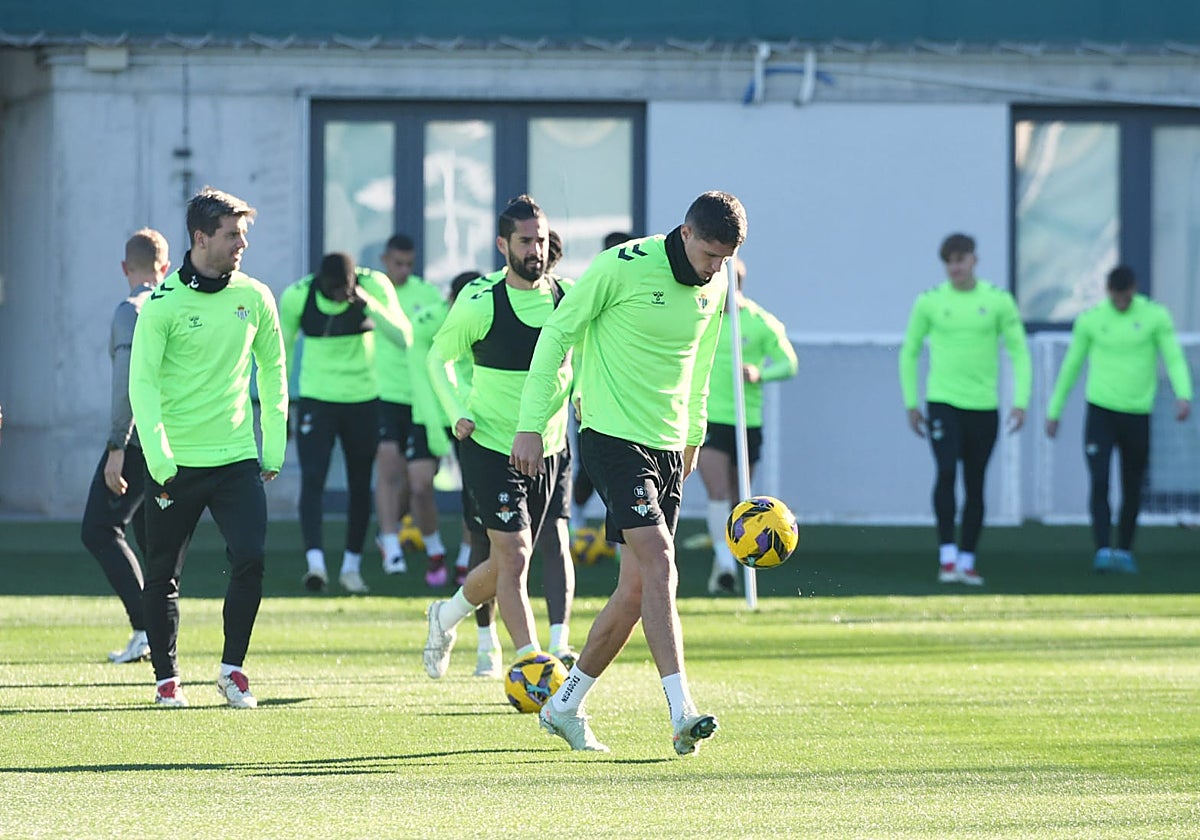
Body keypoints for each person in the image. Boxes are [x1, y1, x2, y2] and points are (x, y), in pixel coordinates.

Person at [511, 191, 747, 756]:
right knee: (662, 559)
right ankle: (681, 711)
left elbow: (701, 365)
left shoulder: (718, 283)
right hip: (611, 435)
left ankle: (564, 705)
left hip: (669, 445)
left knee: (635, 588)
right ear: (686, 234)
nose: (716, 269)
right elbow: (557, 334)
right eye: (711, 255)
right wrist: (529, 423)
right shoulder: (621, 267)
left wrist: (694, 437)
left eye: (726, 259)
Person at [128, 186, 288, 709]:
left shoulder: (256, 296)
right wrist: (157, 455)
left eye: (243, 234)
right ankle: (166, 678)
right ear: (201, 238)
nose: (241, 243)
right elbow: (143, 385)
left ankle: (232, 670)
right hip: (174, 464)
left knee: (252, 557)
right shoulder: (162, 305)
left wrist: (275, 443)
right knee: (163, 575)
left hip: (237, 457)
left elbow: (274, 370)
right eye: (232, 234)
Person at [422, 195, 577, 681]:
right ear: (502, 245)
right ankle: (532, 664)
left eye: (542, 239)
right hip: (490, 444)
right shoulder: (480, 301)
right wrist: (456, 413)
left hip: (550, 448)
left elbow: (587, 356)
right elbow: (438, 359)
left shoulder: (566, 298)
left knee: (515, 554)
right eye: (525, 241)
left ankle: (445, 616)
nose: (536, 249)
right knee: (513, 555)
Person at [899, 232, 1031, 586]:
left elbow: (1019, 351)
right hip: (943, 402)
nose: (955, 267)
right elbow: (909, 351)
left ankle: (968, 560)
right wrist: (912, 403)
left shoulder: (999, 301)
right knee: (945, 472)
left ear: (974, 259)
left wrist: (1021, 401)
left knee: (975, 484)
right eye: (949, 262)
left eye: (961, 259)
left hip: (983, 407)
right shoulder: (929, 302)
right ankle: (947, 557)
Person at [1045, 265, 1193, 574]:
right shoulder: (1091, 320)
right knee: (1099, 481)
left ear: (1134, 289)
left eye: (1126, 298)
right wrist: (1054, 411)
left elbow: (1173, 356)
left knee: (1133, 485)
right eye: (1116, 297)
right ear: (1108, 291)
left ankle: (1124, 550)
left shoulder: (1155, 316)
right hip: (1101, 413)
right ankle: (1102, 548)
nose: (1121, 303)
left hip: (1138, 414)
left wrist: (1184, 394)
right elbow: (1071, 366)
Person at [279, 252, 413, 594]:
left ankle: (351, 566)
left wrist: (367, 303)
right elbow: (282, 353)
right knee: (312, 479)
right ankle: (316, 565)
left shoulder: (375, 287)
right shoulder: (299, 296)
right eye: (331, 290)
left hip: (363, 401)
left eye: (343, 290)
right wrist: (282, 407)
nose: (337, 296)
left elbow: (403, 337)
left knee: (358, 483)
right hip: (316, 400)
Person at [79, 228, 171, 663]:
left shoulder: (130, 310)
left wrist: (117, 444)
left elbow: (126, 384)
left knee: (98, 529)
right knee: (146, 534)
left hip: (136, 439)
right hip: (175, 436)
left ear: (124, 268)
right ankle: (154, 632)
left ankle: (148, 631)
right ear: (165, 267)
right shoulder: (175, 304)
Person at [698, 258, 798, 595]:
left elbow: (789, 363)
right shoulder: (703, 317)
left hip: (746, 420)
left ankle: (725, 562)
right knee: (717, 493)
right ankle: (726, 565)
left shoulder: (759, 322)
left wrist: (760, 374)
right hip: (709, 416)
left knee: (741, 500)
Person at [373, 233, 454, 587]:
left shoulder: (428, 295)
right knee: (389, 467)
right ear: (384, 259)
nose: (403, 270)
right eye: (397, 263)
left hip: (424, 400)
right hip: (385, 392)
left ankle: (396, 532)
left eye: (409, 264)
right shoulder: (374, 292)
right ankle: (391, 545)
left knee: (416, 480)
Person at [567, 230, 632, 536]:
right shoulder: (592, 288)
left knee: (628, 468)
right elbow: (574, 346)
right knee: (591, 466)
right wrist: (579, 390)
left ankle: (624, 535)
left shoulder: (640, 291)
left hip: (632, 399)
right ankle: (575, 516)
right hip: (591, 395)